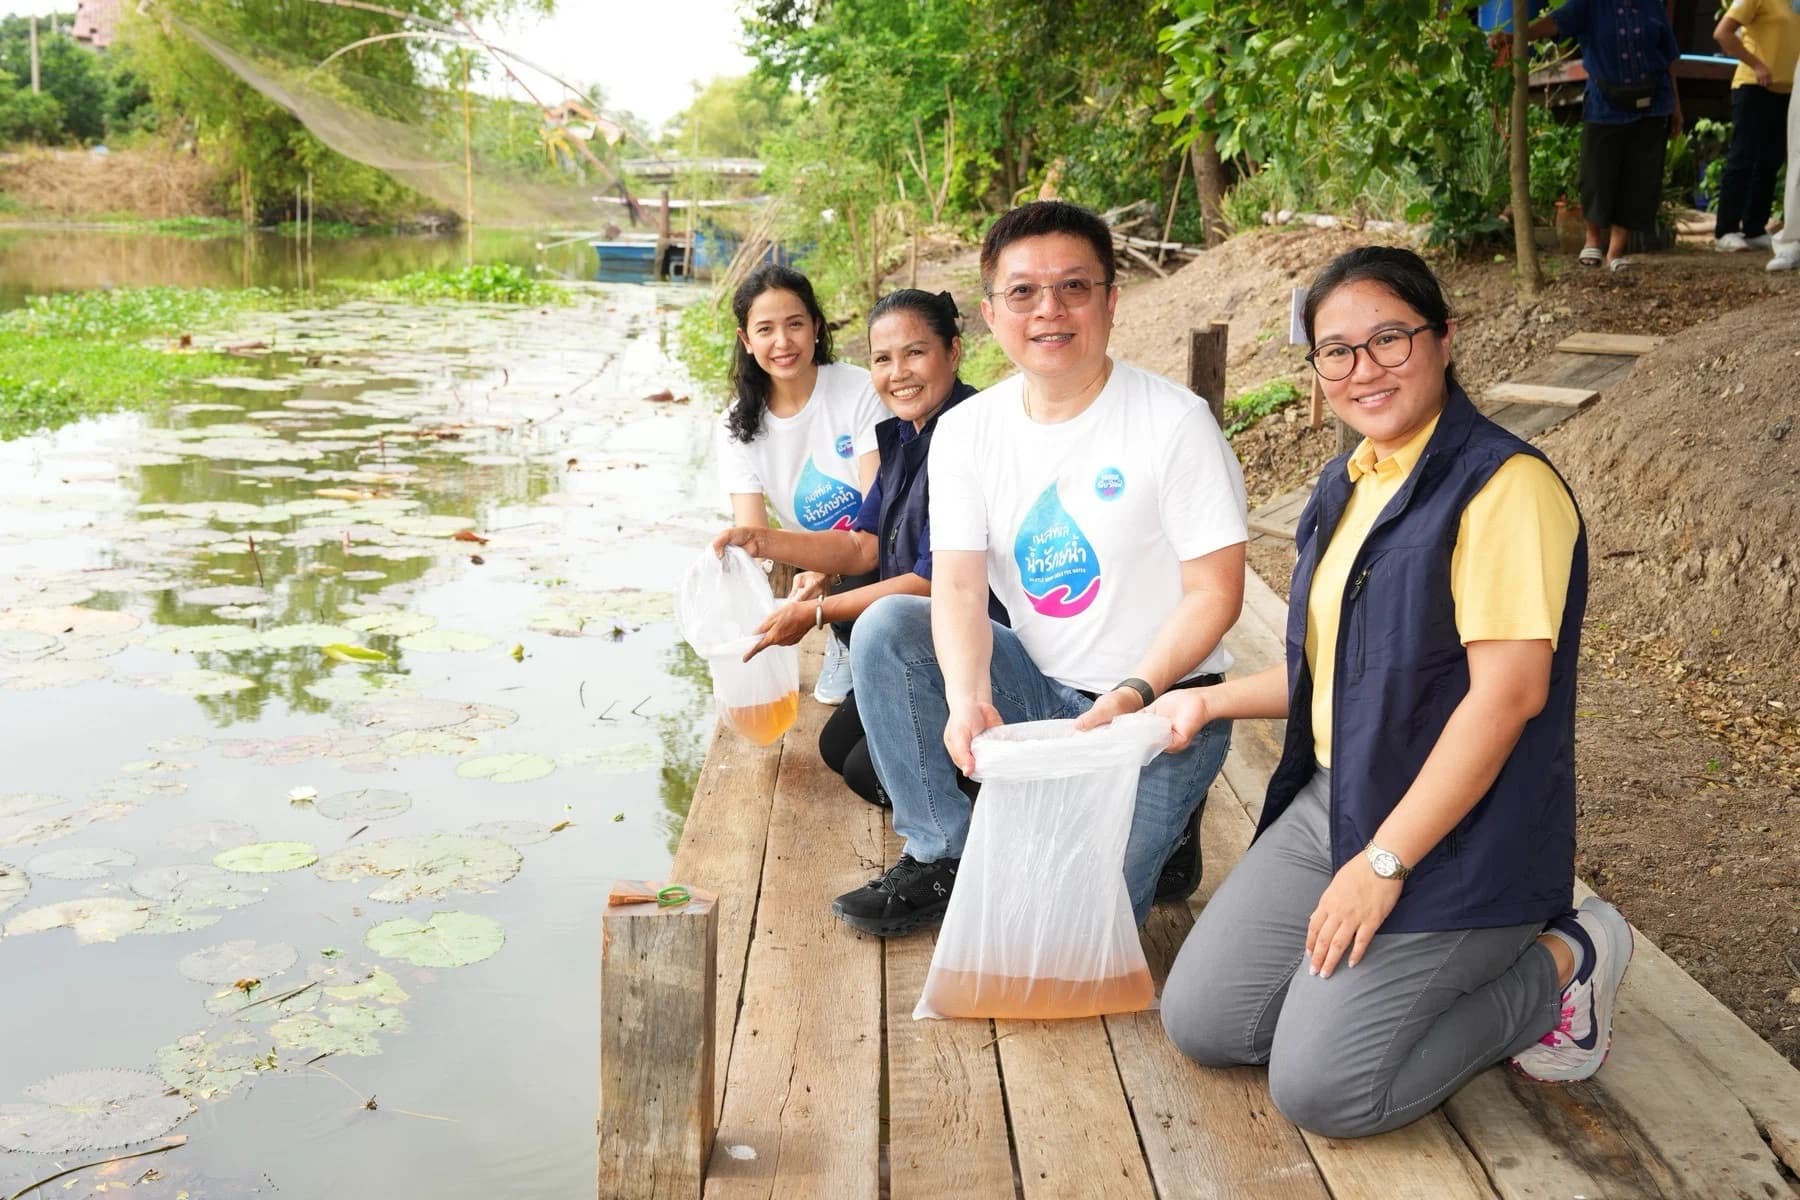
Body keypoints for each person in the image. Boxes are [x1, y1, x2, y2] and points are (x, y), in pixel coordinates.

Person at [1154, 246, 1630, 1140]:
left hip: (1461, 831)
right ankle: (1357, 989)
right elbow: (1346, 670)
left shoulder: (1504, 487)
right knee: (1207, 1022)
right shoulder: (1351, 481)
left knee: (1326, 1089)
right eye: (1336, 350)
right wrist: (1208, 701)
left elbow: (1507, 698)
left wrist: (1383, 865)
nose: (1362, 369)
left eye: (1389, 339)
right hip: (1341, 799)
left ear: (1443, 339)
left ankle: (1567, 958)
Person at [831, 200, 1248, 938]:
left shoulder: (1175, 422)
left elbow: (1215, 594)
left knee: (1062, 935)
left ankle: (1169, 816)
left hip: (1158, 714)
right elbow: (957, 585)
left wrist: (1133, 692)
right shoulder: (967, 431)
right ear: (992, 314)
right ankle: (942, 851)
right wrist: (965, 699)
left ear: (1112, 301)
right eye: (1023, 291)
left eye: (1074, 288)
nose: (1048, 310)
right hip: (1040, 692)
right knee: (888, 625)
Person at [712, 288, 986, 807]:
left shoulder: (966, 436)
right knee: (838, 749)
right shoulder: (905, 433)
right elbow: (862, 546)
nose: (898, 372)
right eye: (883, 359)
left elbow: (932, 581)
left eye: (915, 353)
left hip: (972, 635)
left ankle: (989, 804)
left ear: (953, 351)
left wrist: (815, 614)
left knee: (866, 770)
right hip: (921, 622)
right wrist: (761, 538)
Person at [715, 264, 885, 707]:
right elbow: (755, 535)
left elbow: (879, 511)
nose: (783, 342)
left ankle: (850, 631)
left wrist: (826, 573)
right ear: (746, 341)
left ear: (815, 325)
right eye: (765, 329)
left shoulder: (860, 390)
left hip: (880, 550)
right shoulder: (737, 427)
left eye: (795, 324)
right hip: (820, 560)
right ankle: (844, 631)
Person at [1492, 0, 1682, 271]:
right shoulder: (1590, 5)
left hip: (1653, 103)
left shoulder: (1652, 6)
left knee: (1639, 179)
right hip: (1605, 105)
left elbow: (1669, 59)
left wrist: (1676, 105)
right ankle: (1592, 240)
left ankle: (1616, 252)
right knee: (1596, 175)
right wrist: (1514, 37)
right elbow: (1553, 23)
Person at [1712, 0, 1799, 251]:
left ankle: (1754, 227)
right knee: (1743, 158)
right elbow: (1722, 33)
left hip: (1789, 90)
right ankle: (1725, 230)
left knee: (1770, 162)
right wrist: (1757, 64)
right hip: (1754, 86)